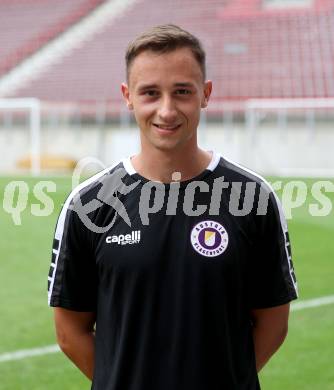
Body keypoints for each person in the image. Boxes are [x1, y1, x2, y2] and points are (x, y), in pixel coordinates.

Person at [48, 24, 298, 390]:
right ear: (127, 96)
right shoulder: (89, 204)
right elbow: (71, 332)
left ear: (206, 94)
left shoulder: (252, 198)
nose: (166, 110)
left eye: (182, 91)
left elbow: (273, 323)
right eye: (150, 93)